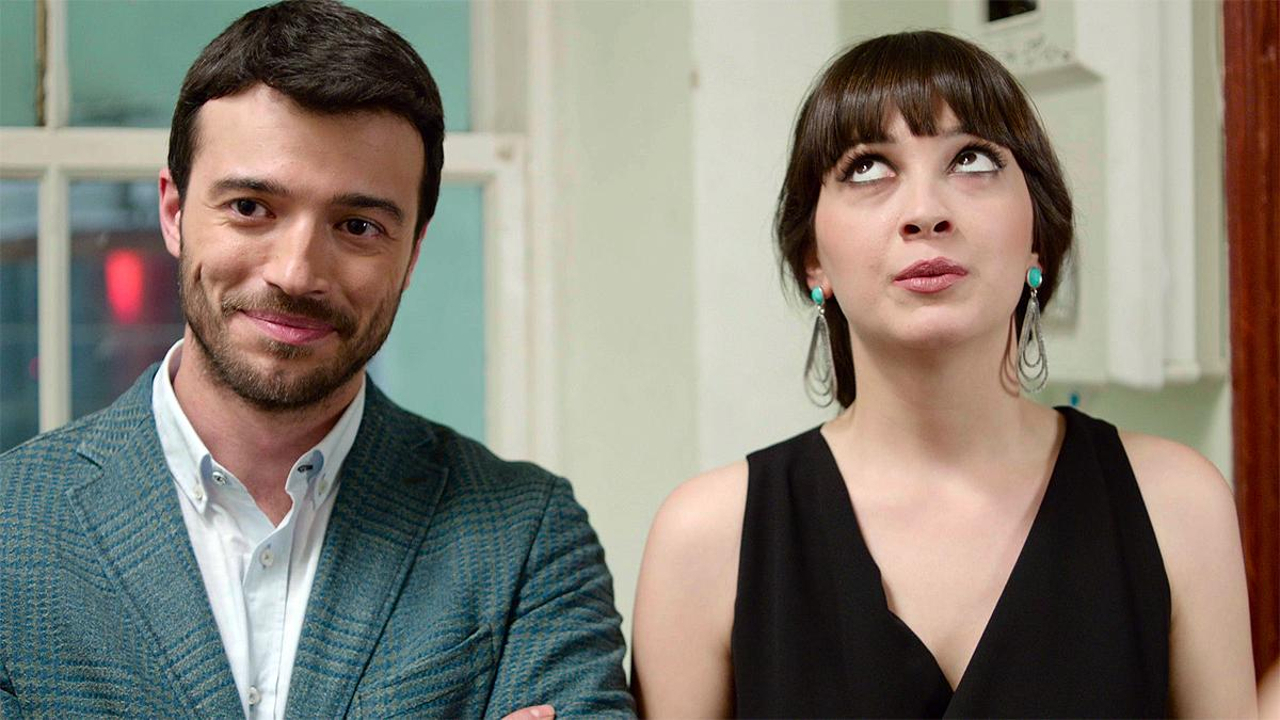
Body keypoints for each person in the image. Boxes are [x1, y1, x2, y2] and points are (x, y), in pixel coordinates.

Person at [0, 2, 631, 717]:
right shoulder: (10, 527)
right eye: (250, 208)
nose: (297, 274)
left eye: (357, 225)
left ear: (412, 253)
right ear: (174, 212)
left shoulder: (525, 536)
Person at [631, 31, 1256, 717]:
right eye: (867, 168)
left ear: (1037, 238)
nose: (925, 212)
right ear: (813, 260)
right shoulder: (708, 539)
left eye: (972, 160)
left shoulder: (1177, 507)